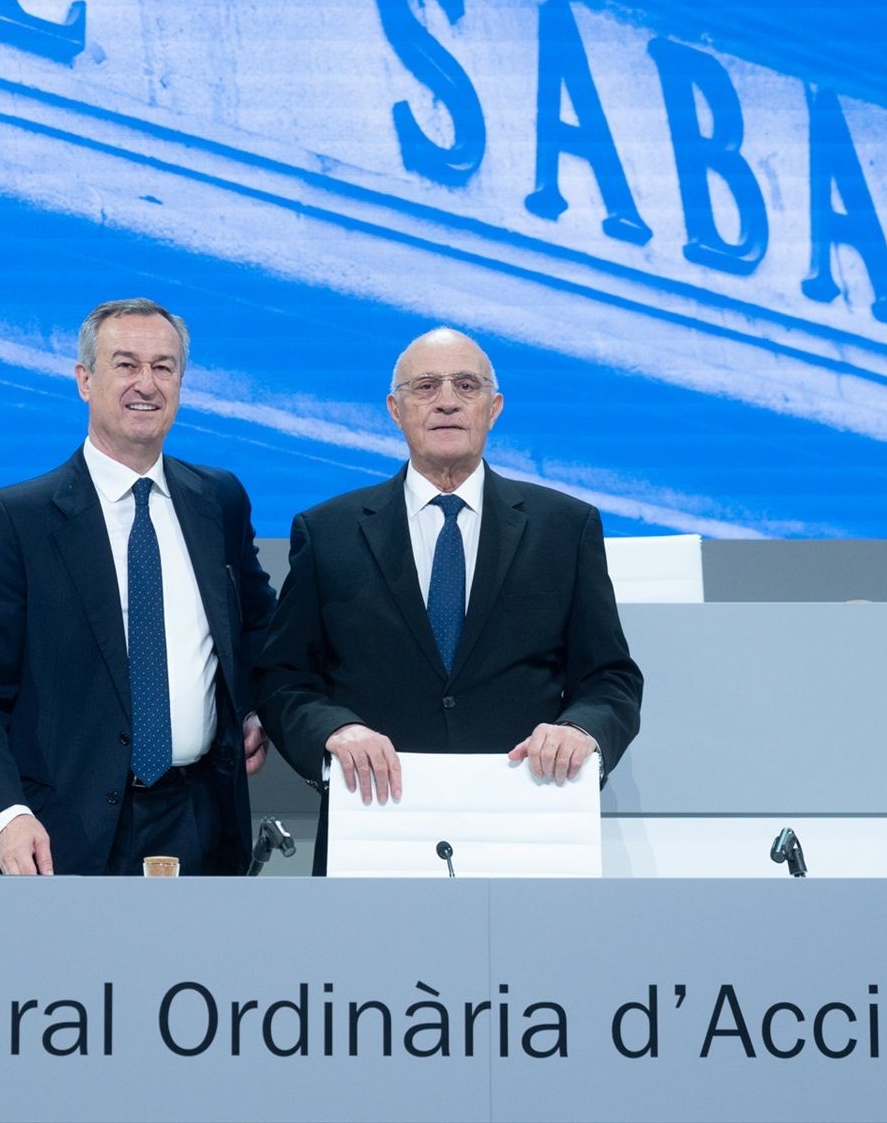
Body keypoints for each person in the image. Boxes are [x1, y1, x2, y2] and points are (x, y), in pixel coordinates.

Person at [255, 327, 643, 874]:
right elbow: (284, 678)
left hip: (527, 826)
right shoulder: (328, 531)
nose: (446, 401)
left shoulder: (565, 527)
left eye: (466, 385)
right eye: (425, 386)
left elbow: (611, 678)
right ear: (395, 408)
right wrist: (335, 731)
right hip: (373, 827)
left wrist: (580, 729)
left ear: (494, 407)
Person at [0, 299, 277, 875]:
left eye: (164, 367)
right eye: (126, 365)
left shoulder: (220, 501)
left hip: (203, 821)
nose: (146, 384)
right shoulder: (19, 519)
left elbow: (259, 628)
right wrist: (6, 813)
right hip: (63, 833)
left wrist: (258, 708)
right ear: (85, 380)